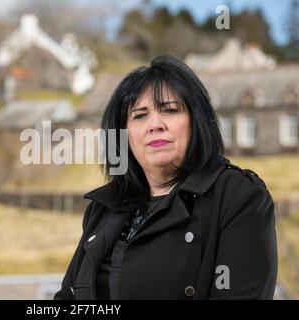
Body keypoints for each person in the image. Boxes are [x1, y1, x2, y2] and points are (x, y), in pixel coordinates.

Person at [54, 55, 277, 300]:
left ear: (197, 121)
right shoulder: (103, 208)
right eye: (140, 116)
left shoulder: (237, 196)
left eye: (169, 110)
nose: (155, 125)